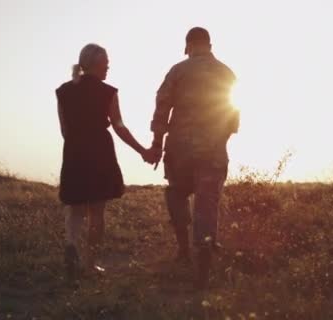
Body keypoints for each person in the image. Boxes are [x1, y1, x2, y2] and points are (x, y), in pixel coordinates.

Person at [56, 43, 157, 284]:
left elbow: (64, 129)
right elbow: (119, 127)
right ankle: (90, 265)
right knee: (97, 211)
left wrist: (76, 146)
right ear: (96, 64)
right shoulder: (108, 92)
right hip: (100, 151)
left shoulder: (63, 91)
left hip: (73, 150)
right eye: (106, 62)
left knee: (75, 205)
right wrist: (142, 150)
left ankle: (71, 245)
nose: (109, 66)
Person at [150, 27, 240, 290]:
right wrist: (219, 140)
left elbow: (161, 107)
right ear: (209, 45)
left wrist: (157, 143)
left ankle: (183, 249)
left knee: (177, 194)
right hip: (213, 151)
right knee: (207, 204)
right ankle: (203, 267)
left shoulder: (178, 71)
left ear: (188, 46)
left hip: (180, 150)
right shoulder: (226, 73)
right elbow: (234, 117)